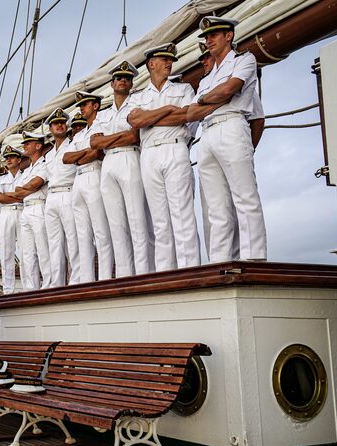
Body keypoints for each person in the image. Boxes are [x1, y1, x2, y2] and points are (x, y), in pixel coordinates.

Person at [187, 17, 267, 263]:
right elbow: (193, 113)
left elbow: (229, 90)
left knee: (245, 197)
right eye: (206, 37)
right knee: (216, 208)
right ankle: (221, 262)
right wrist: (208, 100)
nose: (208, 40)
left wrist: (204, 101)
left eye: (214, 35)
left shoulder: (244, 60)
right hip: (208, 134)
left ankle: (254, 259)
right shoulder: (205, 79)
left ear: (229, 35)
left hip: (232, 126)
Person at [128, 43, 201, 271]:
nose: (169, 63)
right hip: (149, 155)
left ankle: (189, 272)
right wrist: (168, 109)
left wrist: (150, 118)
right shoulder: (139, 96)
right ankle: (165, 273)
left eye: (171, 59)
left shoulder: (184, 89)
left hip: (175, 148)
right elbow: (136, 122)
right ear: (151, 64)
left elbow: (186, 115)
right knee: (160, 222)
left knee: (182, 216)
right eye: (164, 59)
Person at [90, 61, 153, 277]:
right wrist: (118, 138)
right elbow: (94, 144)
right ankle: (125, 275)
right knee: (116, 224)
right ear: (112, 83)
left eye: (126, 78)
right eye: (118, 78)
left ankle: (143, 273)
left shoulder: (137, 104)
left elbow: (134, 136)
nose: (122, 80)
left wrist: (108, 139)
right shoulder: (103, 114)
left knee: (137, 220)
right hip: (109, 165)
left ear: (132, 82)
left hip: (130, 158)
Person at [63, 91, 114, 282]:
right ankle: (86, 279)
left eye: (85, 105)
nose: (82, 109)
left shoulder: (102, 125)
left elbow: (97, 153)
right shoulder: (80, 134)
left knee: (101, 230)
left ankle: (105, 276)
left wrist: (82, 156)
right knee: (82, 234)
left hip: (94, 175)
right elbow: (66, 158)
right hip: (79, 181)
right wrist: (86, 152)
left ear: (95, 106)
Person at [8, 132, 51, 290]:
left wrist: (25, 189)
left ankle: (48, 285)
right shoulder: (26, 171)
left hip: (39, 207)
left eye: (28, 143)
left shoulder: (44, 164)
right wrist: (27, 189)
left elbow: (34, 184)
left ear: (38, 145)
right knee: (27, 253)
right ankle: (31, 288)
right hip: (26, 209)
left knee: (43, 249)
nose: (24, 146)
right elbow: (17, 191)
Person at [43, 109, 81, 287]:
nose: (59, 125)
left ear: (66, 126)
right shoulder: (48, 155)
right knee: (54, 243)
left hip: (68, 192)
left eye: (62, 123)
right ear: (50, 128)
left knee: (73, 239)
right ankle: (56, 283)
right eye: (55, 123)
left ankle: (76, 279)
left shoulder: (74, 146)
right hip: (51, 197)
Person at [0, 145, 26, 293]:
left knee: (26, 251)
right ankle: (8, 289)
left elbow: (26, 195)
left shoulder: (26, 176)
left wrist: (11, 196)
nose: (9, 160)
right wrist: (17, 196)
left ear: (19, 160)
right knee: (7, 252)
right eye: (7, 158)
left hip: (22, 212)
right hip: (6, 214)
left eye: (12, 157)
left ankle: (28, 287)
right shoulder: (0, 179)